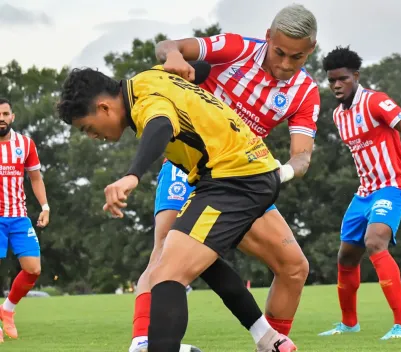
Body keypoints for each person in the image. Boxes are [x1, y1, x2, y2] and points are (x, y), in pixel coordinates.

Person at [56, 63, 298, 352]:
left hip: (233, 178)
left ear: (104, 107)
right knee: (187, 252)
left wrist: (133, 174)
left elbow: (160, 125)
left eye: (87, 128)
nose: (92, 136)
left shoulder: (146, 103)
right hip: (242, 172)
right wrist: (179, 57)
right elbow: (199, 66)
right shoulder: (150, 76)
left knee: (166, 274)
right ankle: (268, 339)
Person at [130, 4, 320, 351]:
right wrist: (173, 56)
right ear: (268, 38)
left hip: (240, 179)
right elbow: (169, 45)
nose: (285, 65)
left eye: (298, 58)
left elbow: (303, 155)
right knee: (164, 254)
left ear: (311, 51)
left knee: (294, 267)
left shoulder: (305, 91)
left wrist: (285, 172)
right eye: (280, 53)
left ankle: (271, 344)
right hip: (188, 168)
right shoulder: (237, 49)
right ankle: (143, 344)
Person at [318, 46, 401, 340]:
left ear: (356, 76)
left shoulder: (376, 102)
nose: (336, 85)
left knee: (375, 240)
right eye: (331, 81)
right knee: (346, 257)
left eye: (342, 79)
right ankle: (349, 323)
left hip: (391, 188)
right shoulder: (338, 116)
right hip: (363, 193)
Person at [0, 98, 50, 343]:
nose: (1, 118)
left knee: (33, 269)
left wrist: (45, 206)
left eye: (5, 113)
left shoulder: (25, 144)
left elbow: (36, 179)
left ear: (12, 116)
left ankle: (7, 309)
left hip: (19, 216)